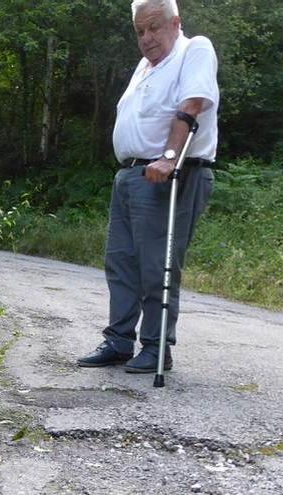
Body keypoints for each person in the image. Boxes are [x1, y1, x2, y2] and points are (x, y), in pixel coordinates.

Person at [77, 0, 218, 373]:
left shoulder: (194, 49)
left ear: (176, 23)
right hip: (131, 175)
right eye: (140, 31)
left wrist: (170, 156)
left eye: (154, 27)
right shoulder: (145, 66)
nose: (146, 38)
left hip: (170, 173)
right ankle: (118, 341)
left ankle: (156, 347)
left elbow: (194, 103)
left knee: (158, 265)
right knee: (121, 261)